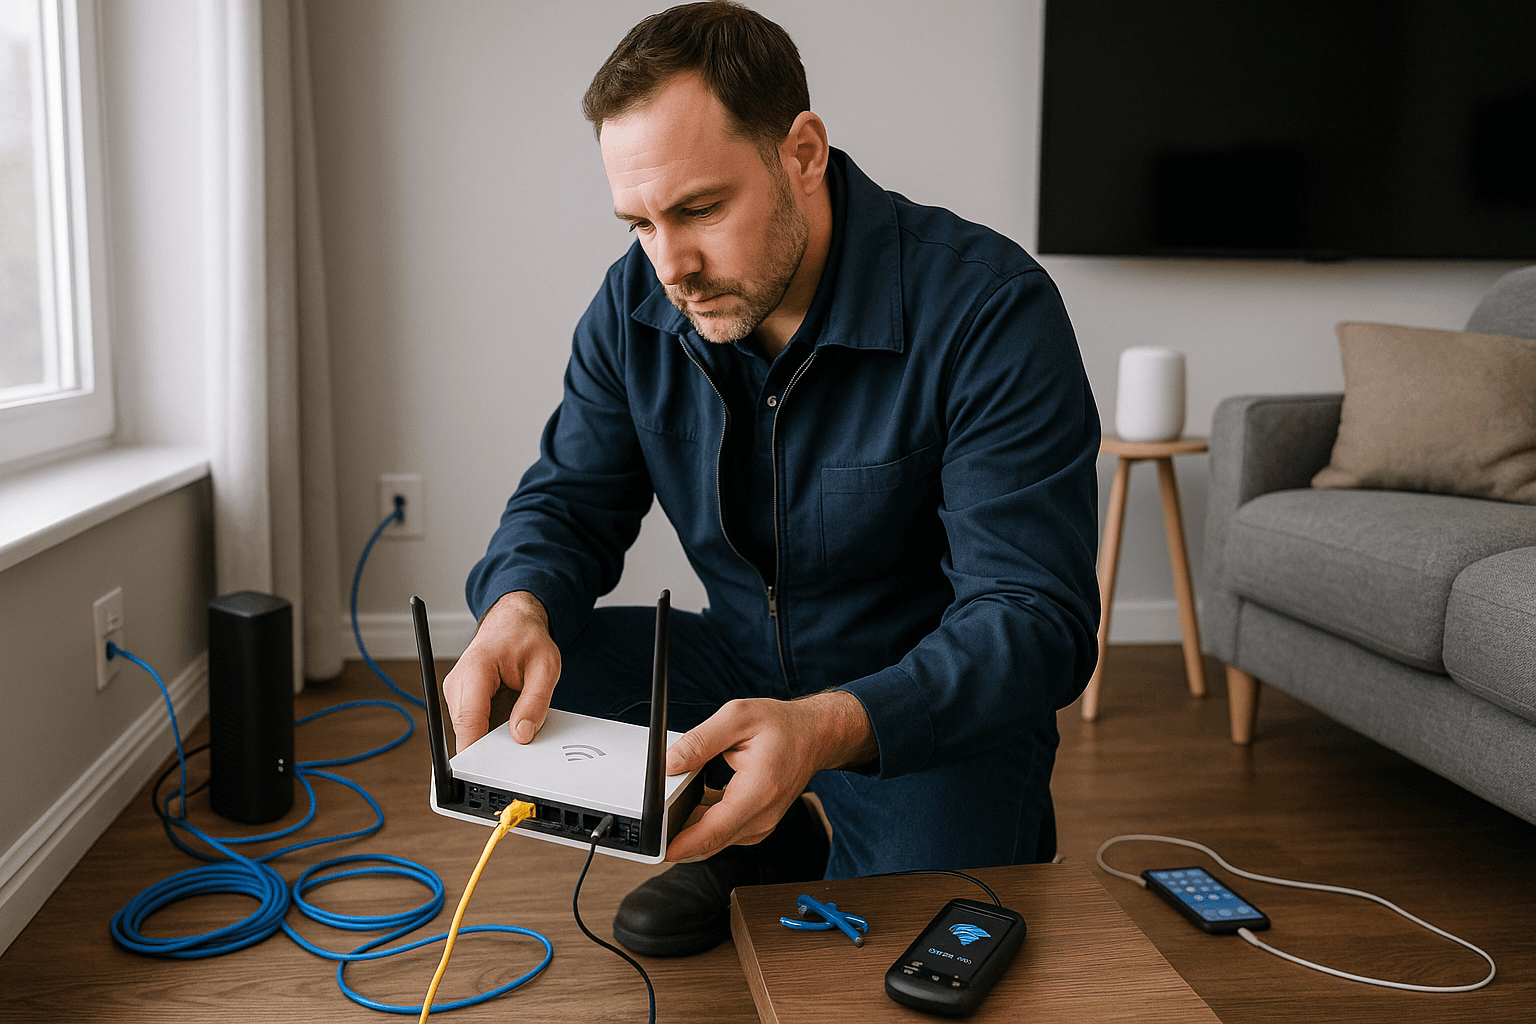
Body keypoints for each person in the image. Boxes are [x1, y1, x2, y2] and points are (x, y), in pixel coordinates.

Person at [443, 1, 1100, 958]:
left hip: (920, 715)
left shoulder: (991, 311)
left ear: (802, 150)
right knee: (508, 684)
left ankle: (793, 793)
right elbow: (568, 500)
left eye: (702, 210)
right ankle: (768, 830)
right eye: (640, 224)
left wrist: (827, 728)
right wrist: (516, 603)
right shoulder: (635, 305)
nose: (672, 265)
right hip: (740, 673)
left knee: (900, 965)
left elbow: (1035, 620)